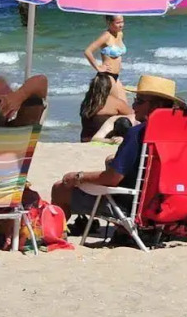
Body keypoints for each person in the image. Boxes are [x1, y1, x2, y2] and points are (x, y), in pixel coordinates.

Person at [50, 75, 179, 216]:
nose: (134, 106)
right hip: (168, 202)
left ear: (157, 106)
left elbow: (112, 179)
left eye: (140, 101)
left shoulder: (138, 133)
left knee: (60, 189)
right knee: (112, 161)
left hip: (132, 206)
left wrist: (79, 177)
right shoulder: (181, 135)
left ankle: (56, 236)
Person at [78, 72, 134, 142]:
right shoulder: (115, 102)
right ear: (109, 87)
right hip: (106, 138)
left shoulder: (87, 102)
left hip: (85, 139)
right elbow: (134, 116)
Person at [82, 15, 127, 80]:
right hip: (107, 76)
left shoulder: (120, 34)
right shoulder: (106, 36)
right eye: (118, 23)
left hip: (116, 76)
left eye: (122, 22)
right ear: (109, 23)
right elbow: (87, 51)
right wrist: (98, 67)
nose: (121, 25)